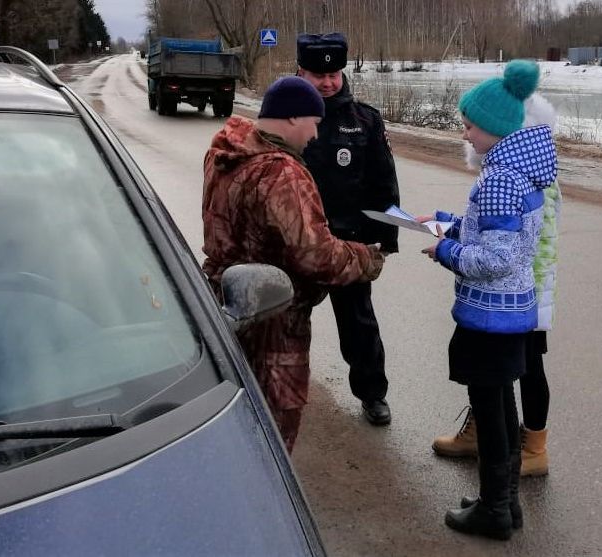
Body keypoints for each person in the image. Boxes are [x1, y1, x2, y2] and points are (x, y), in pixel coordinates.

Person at [201, 76, 385, 452]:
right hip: (275, 320)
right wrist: (367, 258)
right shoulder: (283, 173)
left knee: (235, 416)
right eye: (313, 124)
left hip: (222, 305)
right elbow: (316, 256)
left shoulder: (224, 153)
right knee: (273, 433)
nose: (315, 136)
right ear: (291, 118)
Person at [420, 60, 557, 540]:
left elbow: (496, 256)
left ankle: (494, 511)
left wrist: (445, 250)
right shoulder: (518, 171)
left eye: (470, 125)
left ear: (496, 129)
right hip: (513, 309)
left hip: (490, 313)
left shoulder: (500, 178)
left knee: (492, 409)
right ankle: (505, 503)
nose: (465, 132)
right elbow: (504, 237)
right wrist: (446, 223)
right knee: (501, 405)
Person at [296, 32, 400, 426]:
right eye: (317, 74)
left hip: (348, 242)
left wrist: (385, 239)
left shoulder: (365, 120)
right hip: (299, 243)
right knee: (286, 324)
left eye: (334, 74)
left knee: (359, 325)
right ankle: (283, 392)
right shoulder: (288, 117)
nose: (327, 82)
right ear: (301, 72)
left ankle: (372, 394)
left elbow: (382, 183)